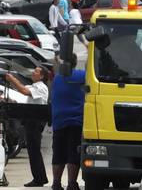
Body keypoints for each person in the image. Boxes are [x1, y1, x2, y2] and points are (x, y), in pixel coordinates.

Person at [6, 67, 50, 187]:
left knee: (34, 151)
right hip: (31, 121)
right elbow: (22, 89)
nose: (33, 73)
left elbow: (24, 91)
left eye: (36, 71)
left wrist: (12, 79)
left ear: (41, 76)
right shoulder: (35, 86)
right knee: (33, 151)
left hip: (36, 121)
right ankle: (39, 177)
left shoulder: (41, 87)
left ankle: (39, 178)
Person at [51, 53, 86, 190]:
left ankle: (56, 183)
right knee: (73, 153)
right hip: (76, 120)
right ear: (76, 62)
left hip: (59, 120)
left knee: (58, 153)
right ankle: (72, 183)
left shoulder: (58, 78)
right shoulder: (82, 76)